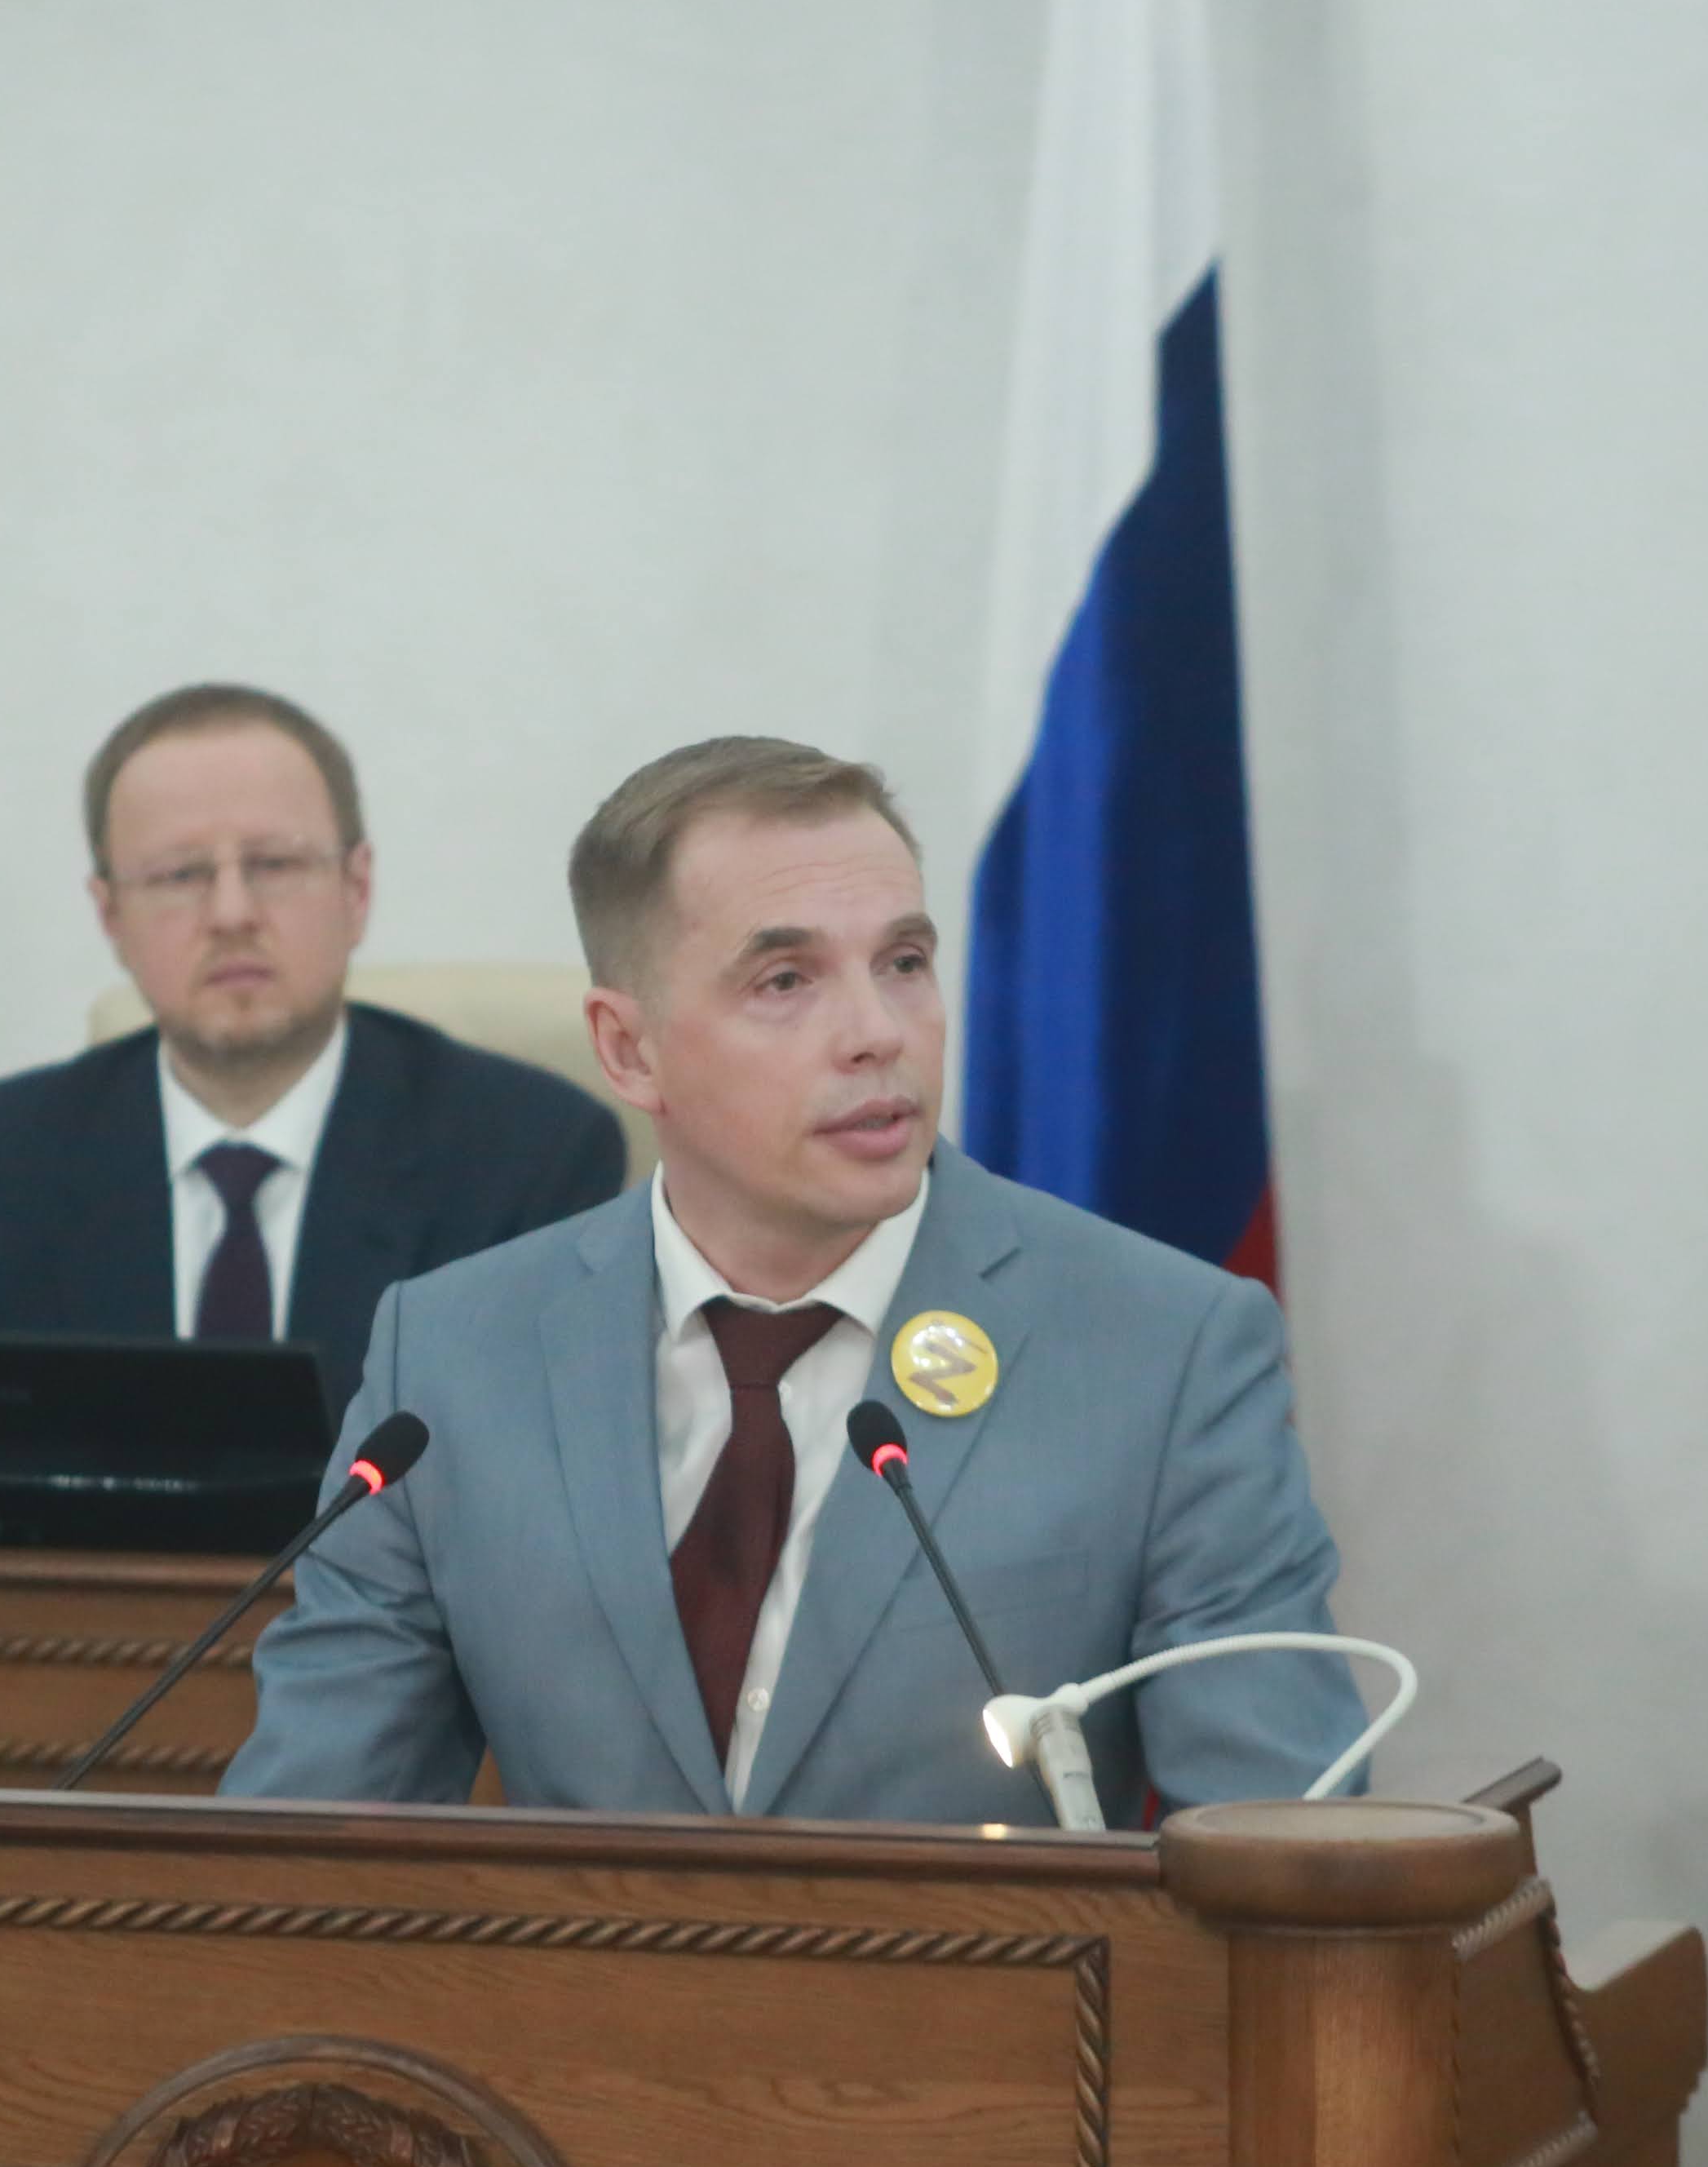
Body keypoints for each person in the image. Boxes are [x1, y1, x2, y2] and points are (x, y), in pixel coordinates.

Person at [219, 735, 1365, 1824]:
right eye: (784, 979)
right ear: (627, 1049)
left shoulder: (1164, 1350)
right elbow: (302, 1842)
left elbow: (1279, 1857)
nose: (876, 1032)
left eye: (903, 963)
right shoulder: (451, 1357)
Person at [0, 685, 627, 1398]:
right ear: (111, 917)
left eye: (275, 864)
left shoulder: (531, 1156)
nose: (231, 913)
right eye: (179, 875)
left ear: (356, 891)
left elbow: (552, 1467)